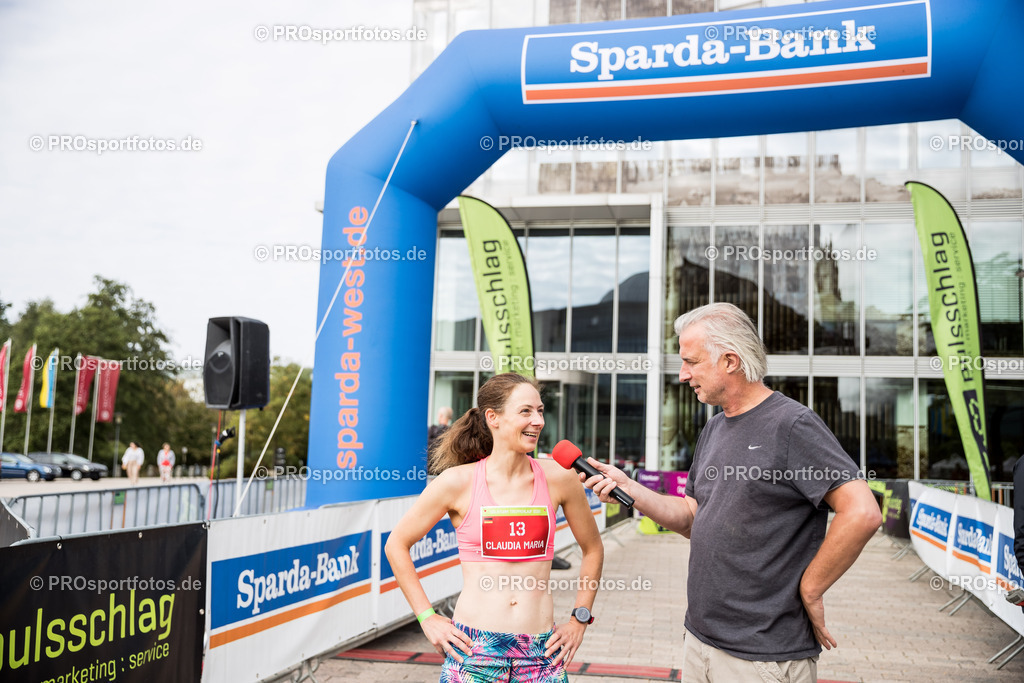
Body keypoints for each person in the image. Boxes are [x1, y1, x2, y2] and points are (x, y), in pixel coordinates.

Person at [581, 303, 881, 683]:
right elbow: (692, 516)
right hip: (701, 642)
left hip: (761, 657)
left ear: (729, 361)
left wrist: (812, 587)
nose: (682, 374)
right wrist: (630, 489)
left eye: (691, 361)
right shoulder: (715, 427)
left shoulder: (792, 425)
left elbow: (862, 512)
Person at [385, 373, 604, 682]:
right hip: (473, 652)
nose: (538, 420)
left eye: (540, 410)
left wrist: (579, 619)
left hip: (541, 655)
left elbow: (593, 548)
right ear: (493, 418)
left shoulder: (560, 477)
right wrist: (427, 618)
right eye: (526, 411)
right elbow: (396, 545)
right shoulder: (457, 482)